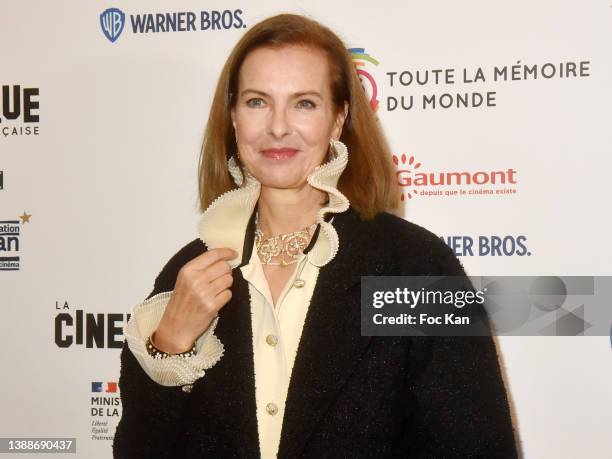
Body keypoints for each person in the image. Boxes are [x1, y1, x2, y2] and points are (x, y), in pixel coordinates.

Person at [113, 13, 518, 459]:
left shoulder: (412, 265)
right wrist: (169, 345)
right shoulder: (192, 269)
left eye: (304, 103)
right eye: (257, 102)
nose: (278, 127)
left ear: (338, 118)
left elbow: (478, 446)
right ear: (232, 117)